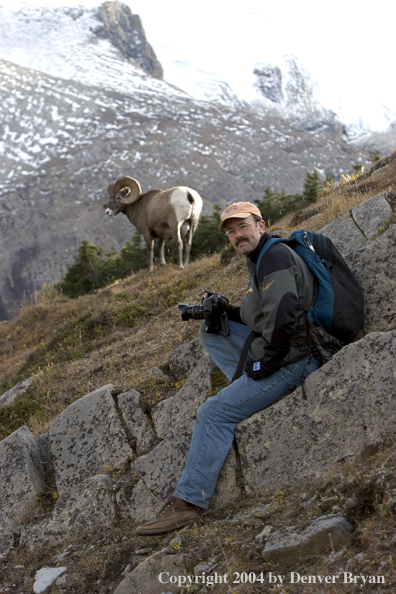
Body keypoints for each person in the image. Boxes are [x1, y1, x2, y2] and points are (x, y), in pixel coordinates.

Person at [136, 202, 321, 535]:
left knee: (212, 413)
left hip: (294, 361)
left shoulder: (274, 258)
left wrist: (268, 363)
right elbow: (263, 314)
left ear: (261, 225)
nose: (237, 236)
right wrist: (226, 309)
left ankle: (188, 503)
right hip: (284, 349)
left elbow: (287, 310)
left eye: (243, 227)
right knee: (211, 331)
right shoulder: (263, 257)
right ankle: (246, 389)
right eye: (231, 232)